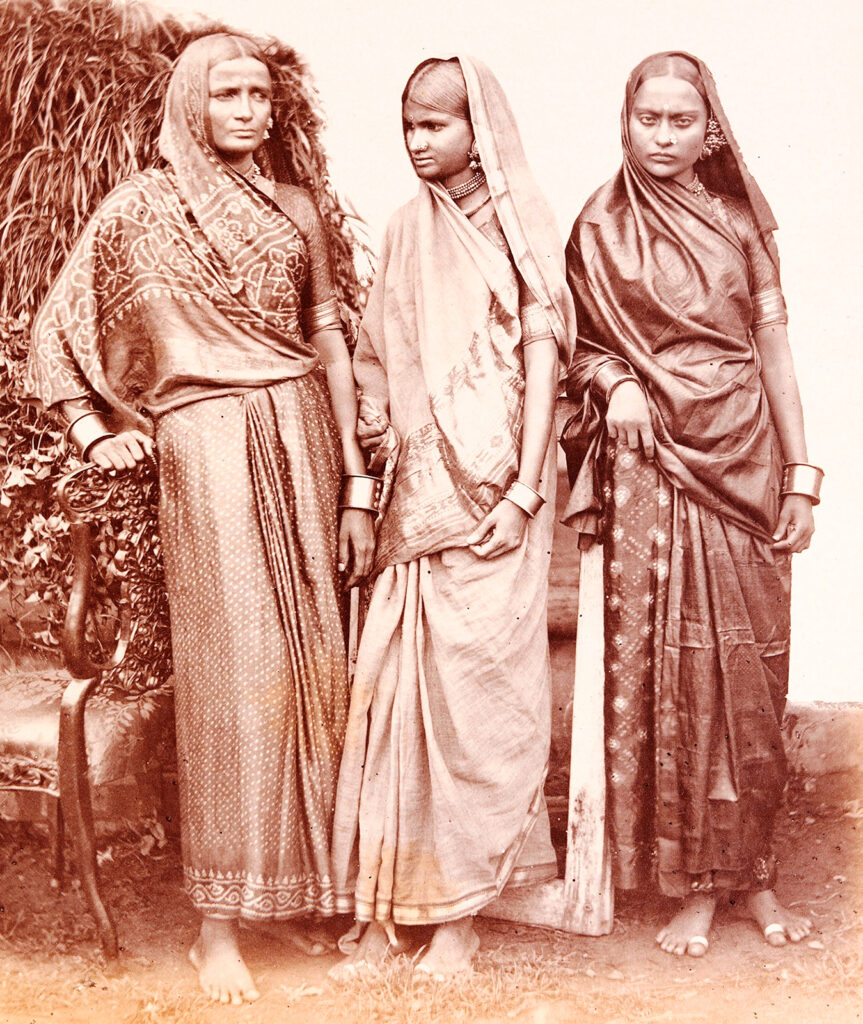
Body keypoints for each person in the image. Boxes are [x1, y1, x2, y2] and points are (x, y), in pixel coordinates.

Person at [25, 33, 375, 1004]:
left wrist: (353, 479)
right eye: (228, 95)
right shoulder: (138, 211)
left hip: (302, 438)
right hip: (205, 450)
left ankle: (301, 899)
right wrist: (95, 431)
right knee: (233, 677)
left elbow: (327, 340)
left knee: (314, 672)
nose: (250, 111)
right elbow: (58, 329)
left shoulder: (295, 209)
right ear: (192, 104)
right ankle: (216, 926)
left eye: (260, 95)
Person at [562, 51, 819, 958]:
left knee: (752, 674)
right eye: (648, 119)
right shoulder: (596, 225)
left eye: (682, 121)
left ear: (710, 128)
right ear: (624, 119)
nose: (663, 137)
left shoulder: (741, 221)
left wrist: (801, 474)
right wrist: (613, 380)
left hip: (744, 458)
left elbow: (774, 351)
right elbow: (573, 346)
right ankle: (692, 887)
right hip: (650, 466)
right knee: (672, 670)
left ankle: (752, 876)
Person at [329, 56, 576, 981]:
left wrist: (520, 494)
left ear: (479, 128)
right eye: (408, 127)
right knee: (397, 699)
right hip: (416, 498)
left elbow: (546, 363)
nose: (416, 141)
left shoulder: (521, 223)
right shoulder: (401, 229)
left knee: (481, 701)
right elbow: (376, 353)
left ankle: (460, 921)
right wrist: (375, 422)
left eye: (434, 124)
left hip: (499, 502)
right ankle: (385, 914)